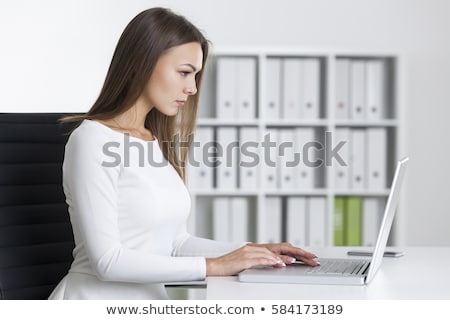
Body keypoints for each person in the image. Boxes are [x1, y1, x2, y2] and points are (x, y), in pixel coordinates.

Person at [49, 7, 318, 300]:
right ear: (143, 63)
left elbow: (175, 243)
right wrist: (214, 266)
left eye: (195, 75)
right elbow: (107, 262)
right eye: (184, 72)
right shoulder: (92, 139)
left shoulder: (154, 141)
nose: (191, 88)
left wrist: (253, 251)